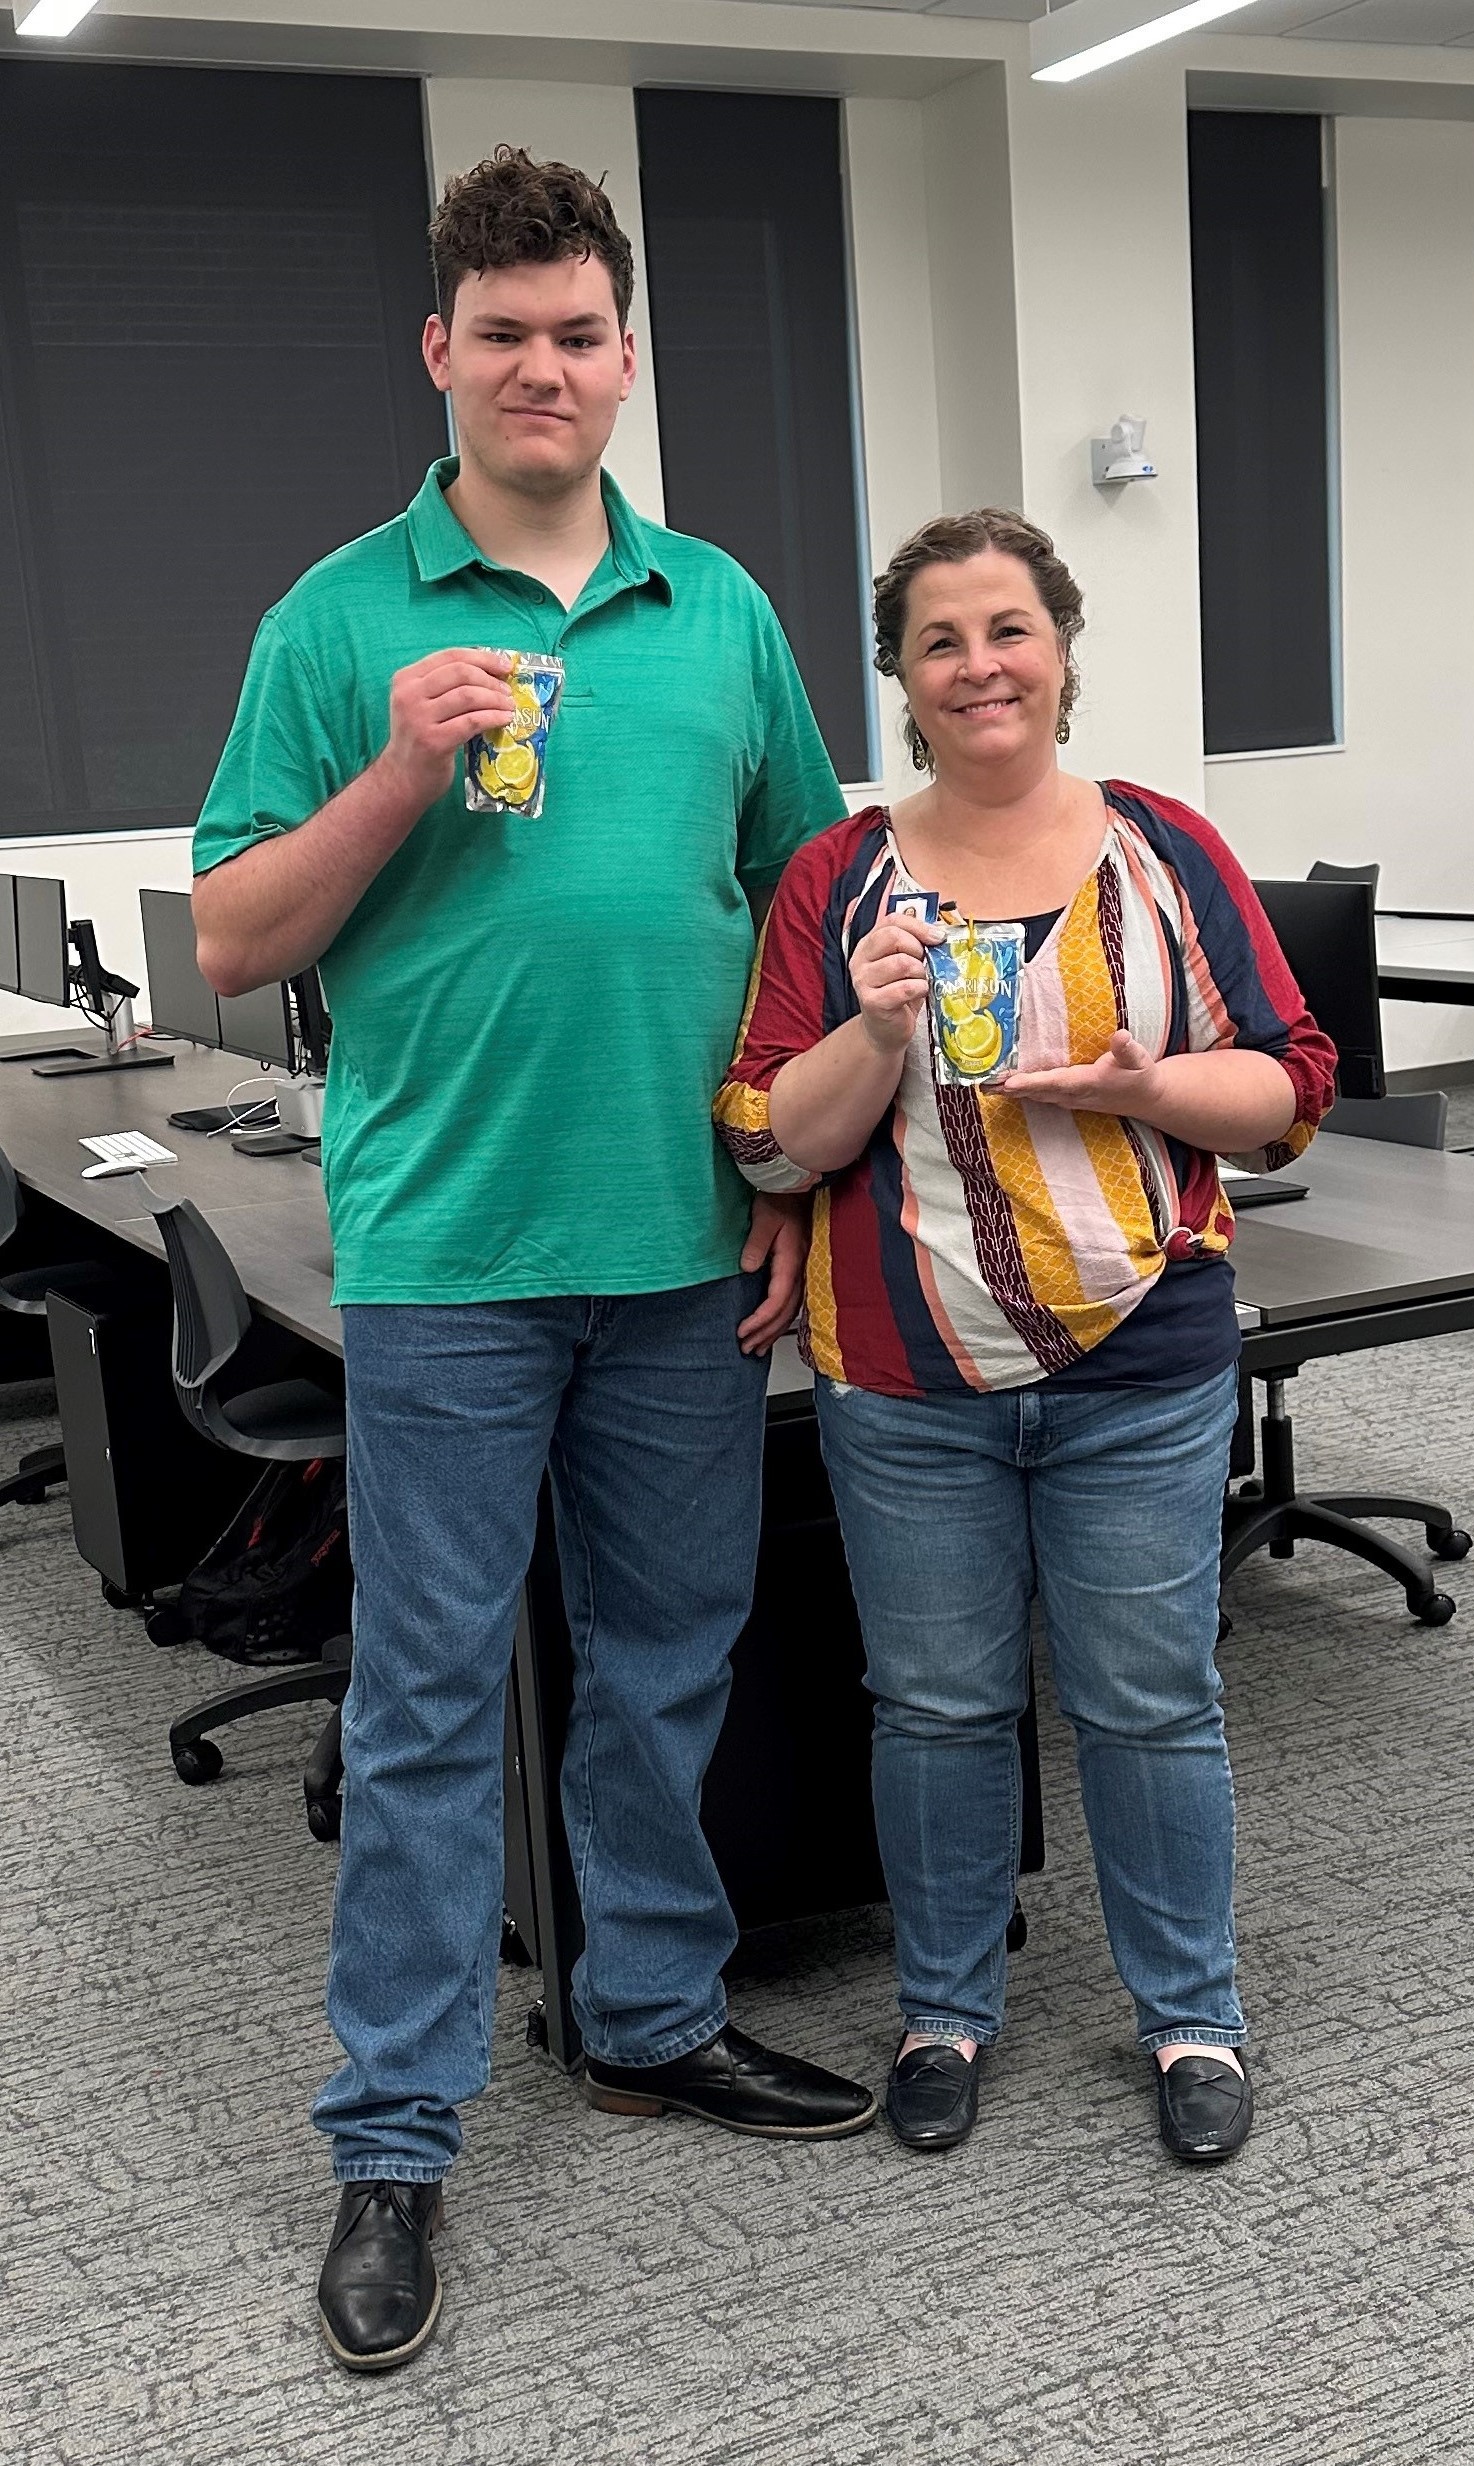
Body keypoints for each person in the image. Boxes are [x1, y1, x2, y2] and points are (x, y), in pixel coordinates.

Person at [192, 147, 876, 2376]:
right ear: (442, 354)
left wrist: (791, 1176)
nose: (544, 368)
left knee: (672, 1654)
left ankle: (649, 2013)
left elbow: (808, 914)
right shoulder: (337, 619)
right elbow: (233, 932)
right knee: (421, 1709)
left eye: (581, 333)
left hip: (684, 1245)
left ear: (624, 354)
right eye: (505, 334)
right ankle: (394, 2134)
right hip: (449, 1253)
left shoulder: (724, 609)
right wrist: (395, 773)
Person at [714, 508, 1336, 2165]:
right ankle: (942, 2005)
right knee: (932, 1701)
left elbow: (1287, 1093)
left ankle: (1189, 2013)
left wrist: (1146, 1086)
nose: (977, 664)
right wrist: (870, 1019)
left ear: (1060, 651)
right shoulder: (838, 879)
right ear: (899, 682)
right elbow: (774, 1141)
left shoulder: (1164, 850)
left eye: (1007, 629)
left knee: (1149, 1699)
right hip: (908, 1374)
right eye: (938, 640)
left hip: (1139, 1358)